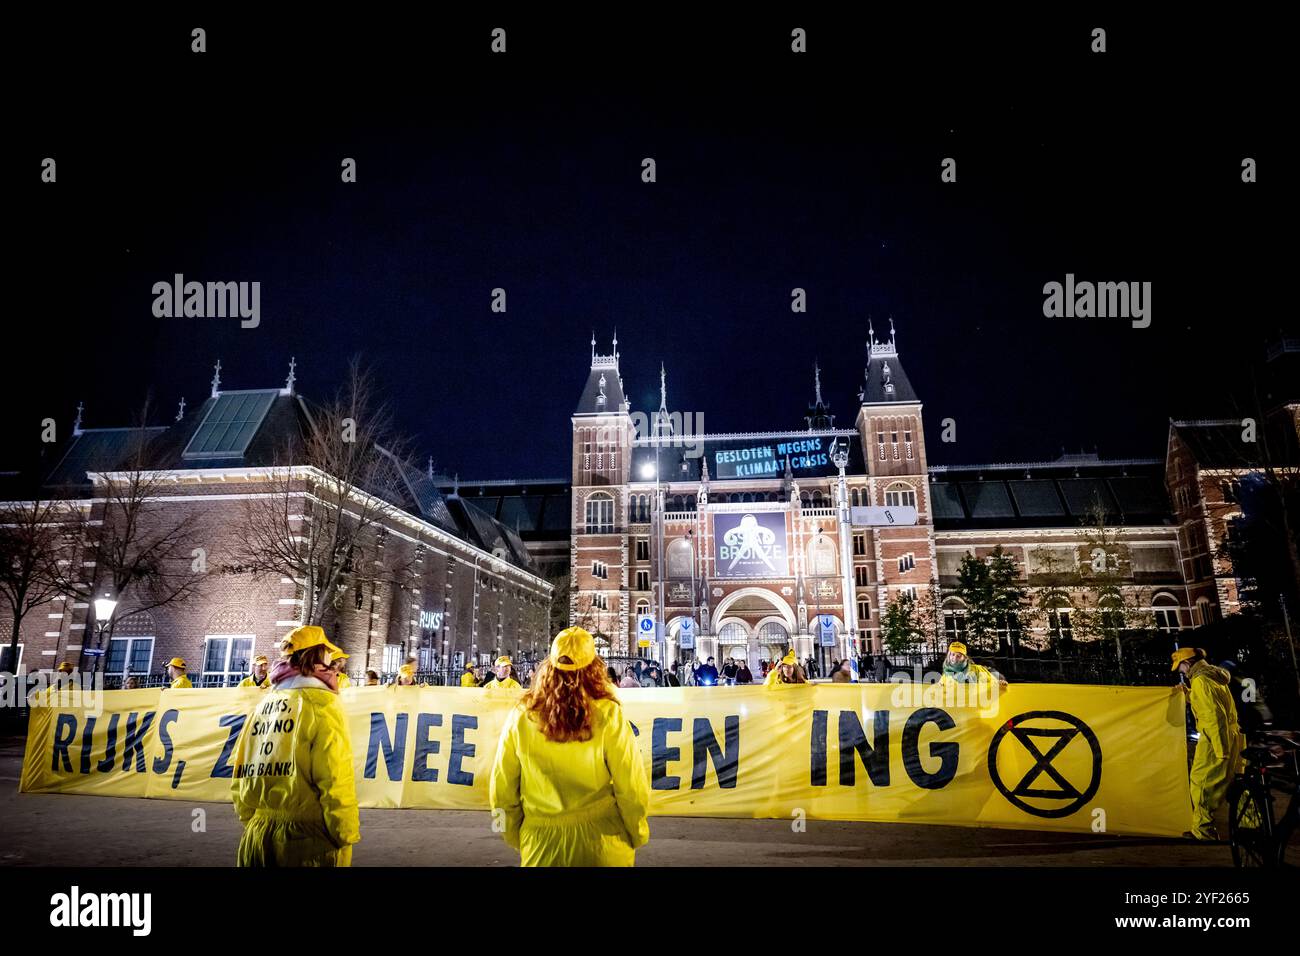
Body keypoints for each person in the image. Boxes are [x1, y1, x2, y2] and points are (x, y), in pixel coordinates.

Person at [489, 626, 650, 866]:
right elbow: (632, 786)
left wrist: (511, 835)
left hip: (540, 846)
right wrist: (637, 833)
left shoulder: (521, 716)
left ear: (549, 666)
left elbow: (500, 790)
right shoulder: (608, 714)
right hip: (603, 844)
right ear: (594, 667)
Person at [230, 624, 360, 867]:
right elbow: (335, 776)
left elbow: (241, 768)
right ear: (318, 655)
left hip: (257, 838)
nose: (331, 659)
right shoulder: (323, 705)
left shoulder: (263, 706)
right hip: (308, 843)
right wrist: (345, 833)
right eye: (327, 652)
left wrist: (252, 820)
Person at [1173, 647, 1244, 842]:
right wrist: (1188, 696)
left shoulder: (1200, 681)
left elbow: (1214, 716)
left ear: (1188, 663)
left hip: (1214, 740)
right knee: (1234, 781)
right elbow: (1213, 706)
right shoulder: (1213, 676)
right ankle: (1251, 826)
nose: (1180, 672)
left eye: (1180, 667)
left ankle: (1203, 832)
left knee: (1201, 783)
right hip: (1231, 735)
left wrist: (1221, 749)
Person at [938, 642, 1007, 691]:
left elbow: (991, 683)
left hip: (976, 706)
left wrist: (1000, 684)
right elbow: (942, 692)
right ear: (948, 656)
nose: (955, 658)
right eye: (952, 654)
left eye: (959, 656)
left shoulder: (977, 669)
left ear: (965, 658)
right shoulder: (946, 674)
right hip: (958, 708)